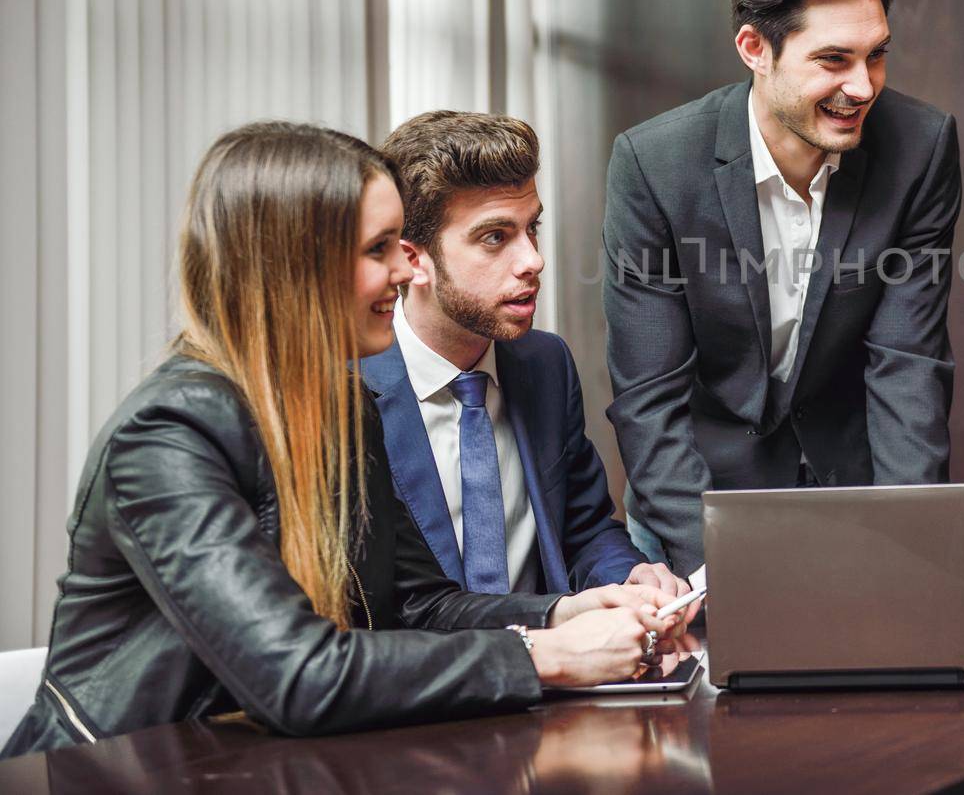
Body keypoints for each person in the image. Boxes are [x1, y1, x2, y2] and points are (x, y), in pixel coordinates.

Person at [3, 123, 684, 757]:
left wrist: (567, 610)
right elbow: (296, 673)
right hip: (116, 771)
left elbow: (420, 604)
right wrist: (547, 655)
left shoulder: (339, 407)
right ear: (294, 265)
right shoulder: (168, 434)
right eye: (378, 250)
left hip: (252, 762)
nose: (404, 270)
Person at [602, 0, 964, 619]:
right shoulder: (655, 165)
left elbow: (907, 364)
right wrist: (715, 573)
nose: (863, 86)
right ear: (755, 49)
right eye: (833, 60)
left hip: (853, 505)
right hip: (694, 509)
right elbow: (649, 397)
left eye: (877, 55)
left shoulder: (919, 148)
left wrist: (920, 556)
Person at [362, 111, 693, 606]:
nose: (533, 260)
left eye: (530, 228)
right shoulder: (346, 391)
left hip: (565, 675)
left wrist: (627, 579)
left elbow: (580, 530)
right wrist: (554, 621)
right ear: (414, 260)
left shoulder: (544, 363)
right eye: (495, 237)